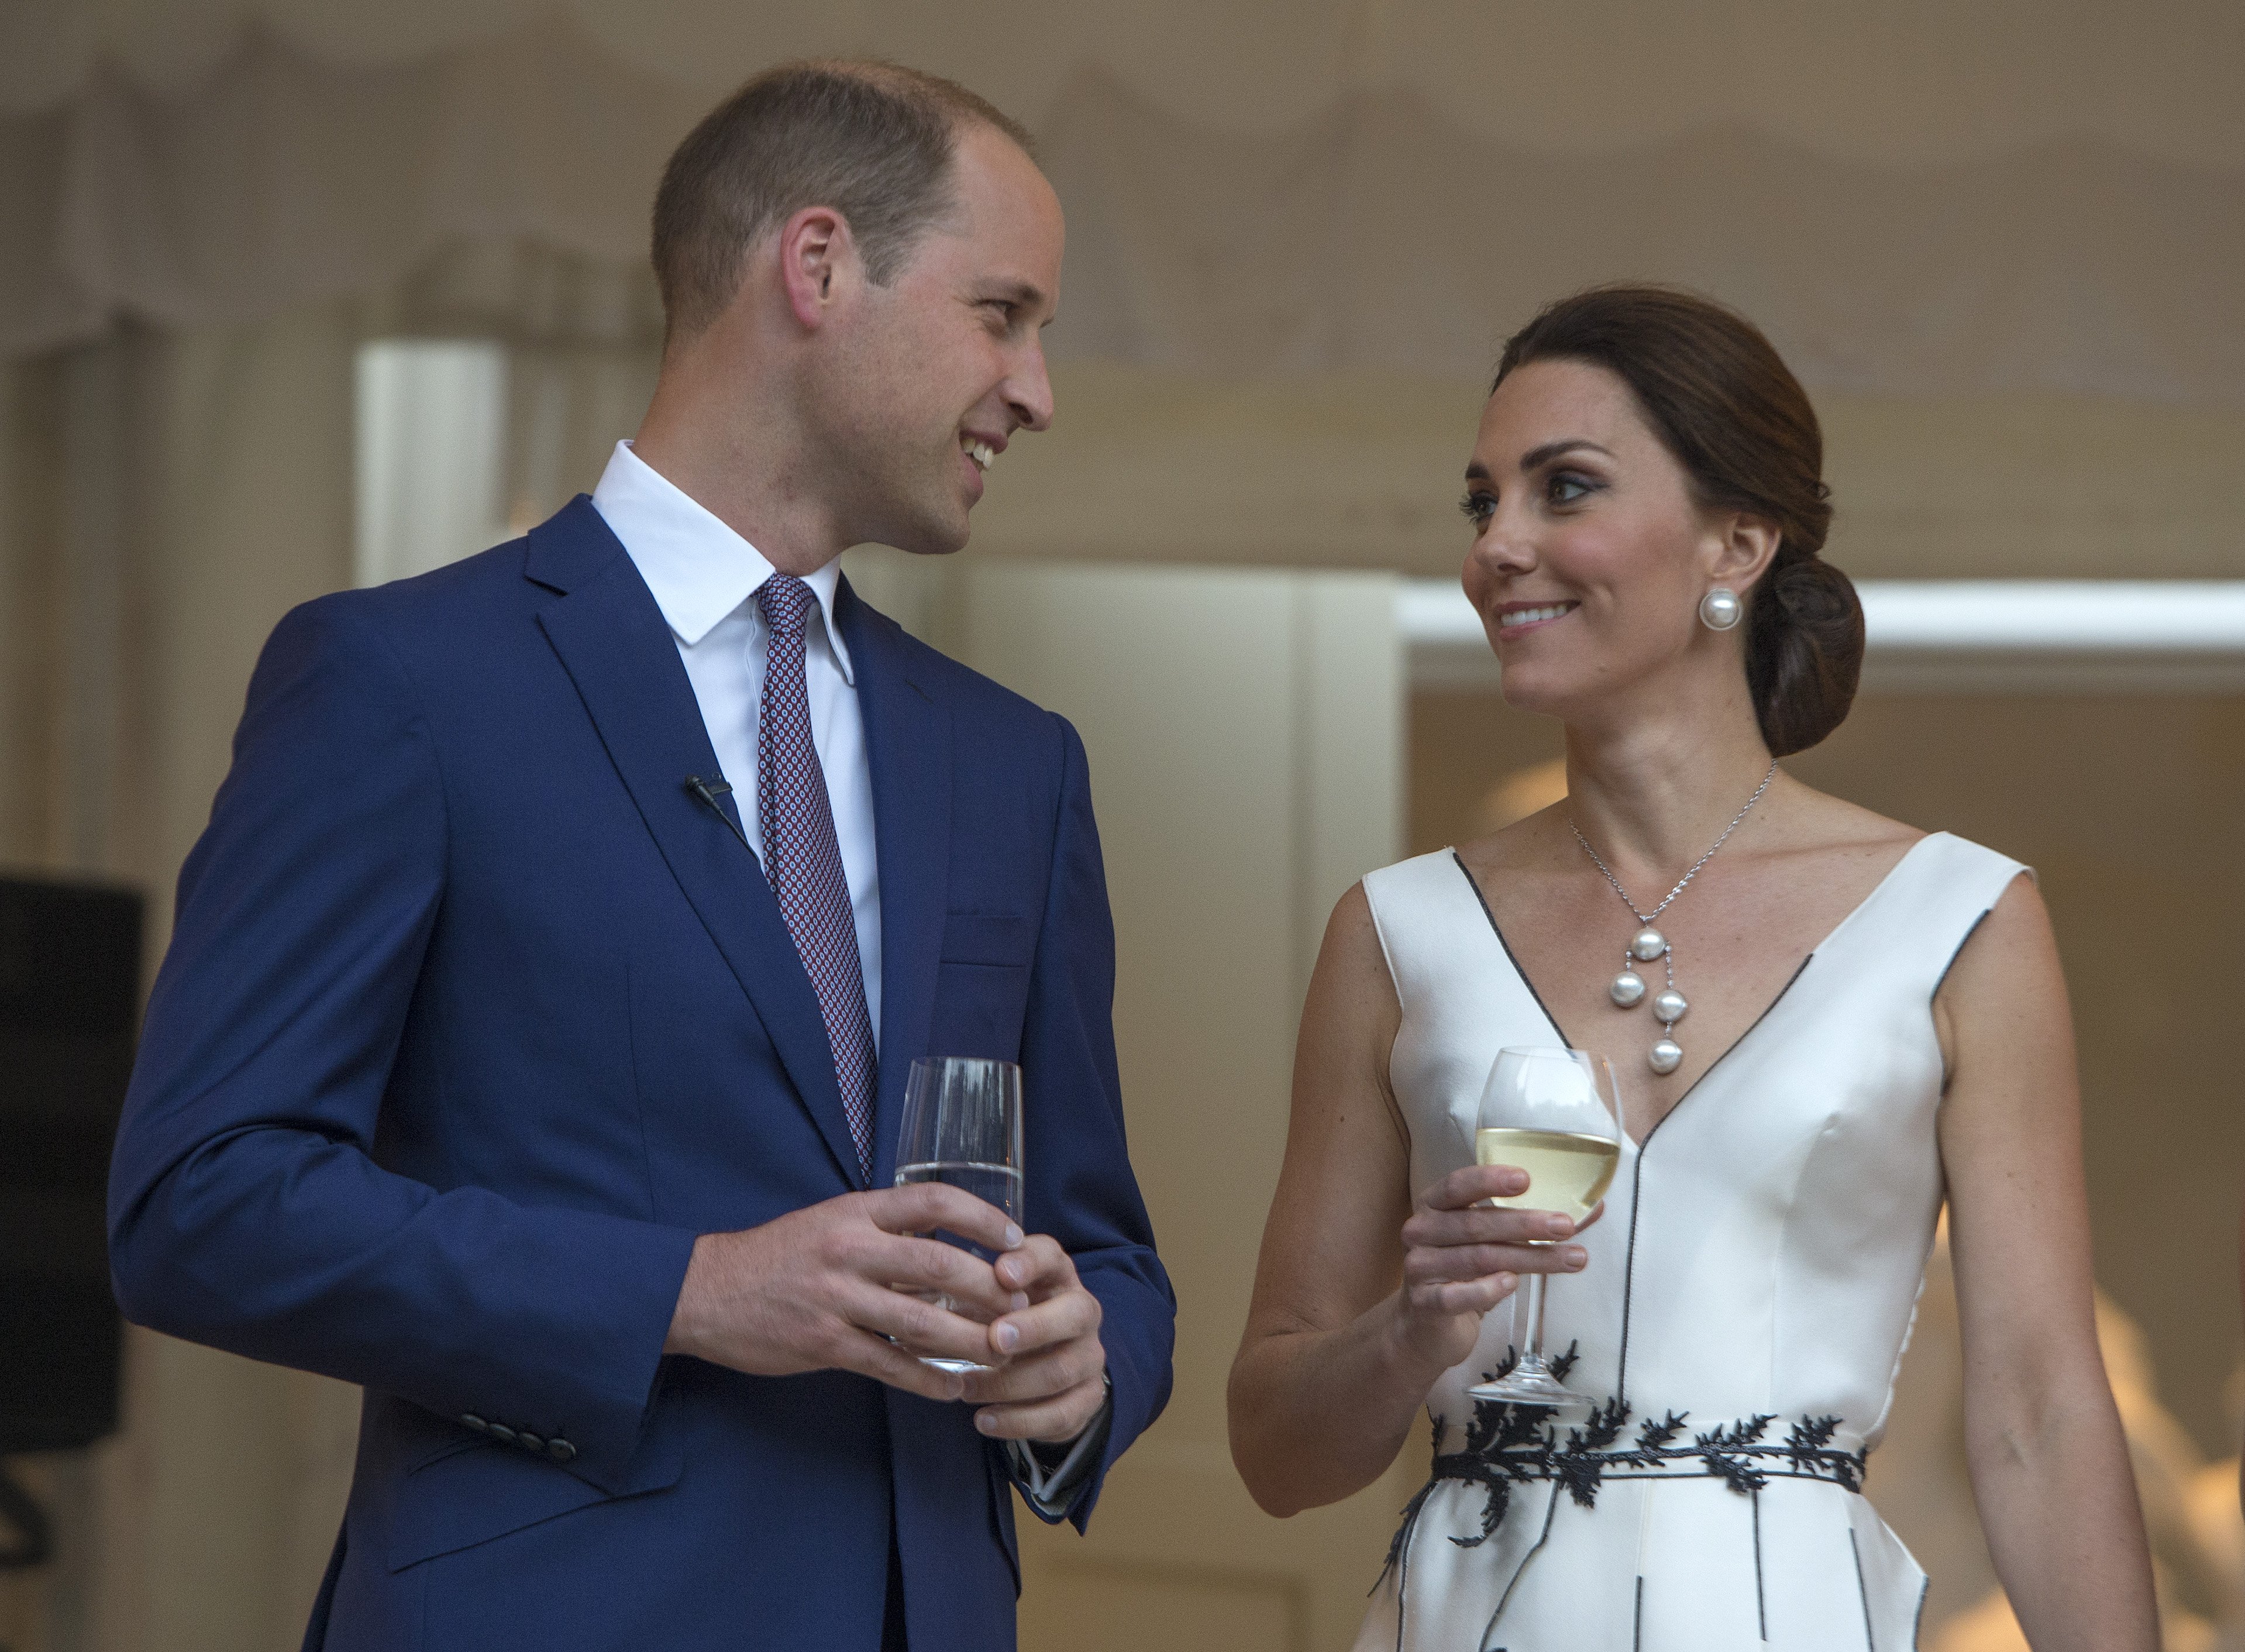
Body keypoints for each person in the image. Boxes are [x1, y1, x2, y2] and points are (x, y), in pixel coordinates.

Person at [107, 61, 1174, 1652]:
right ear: (815, 267)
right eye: (1001, 313)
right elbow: (201, 1202)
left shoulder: (1016, 762)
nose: (1034, 388)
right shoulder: (403, 686)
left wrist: (1083, 1369)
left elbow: (1103, 1249)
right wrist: (691, 1288)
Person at [1228, 285, 2156, 1650]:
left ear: (1736, 538)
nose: (1499, 545)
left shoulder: (1959, 920)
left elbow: (2037, 1417)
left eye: (1564, 490)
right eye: (1481, 501)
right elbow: (1273, 1451)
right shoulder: (1395, 931)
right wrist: (1409, 1330)